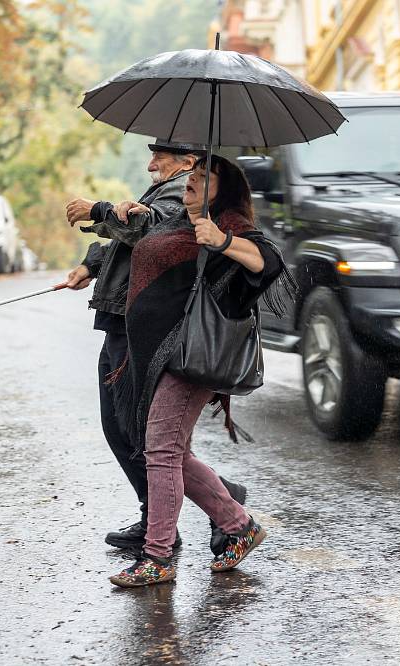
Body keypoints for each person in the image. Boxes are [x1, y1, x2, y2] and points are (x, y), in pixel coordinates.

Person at [108, 155, 294, 588]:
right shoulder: (176, 217)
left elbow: (269, 262)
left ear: (223, 189)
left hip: (190, 355)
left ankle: (158, 557)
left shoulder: (225, 221)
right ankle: (238, 525)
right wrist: (139, 218)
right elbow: (144, 247)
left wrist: (224, 241)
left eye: (202, 177)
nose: (191, 181)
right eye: (190, 175)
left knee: (161, 451)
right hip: (156, 355)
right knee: (173, 453)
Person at [63, 140, 247, 555]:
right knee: (129, 429)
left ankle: (180, 522)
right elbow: (138, 245)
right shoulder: (170, 189)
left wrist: (98, 210)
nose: (150, 164)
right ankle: (196, 509)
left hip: (140, 326)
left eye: (159, 157)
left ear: (188, 162)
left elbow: (154, 230)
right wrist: (90, 266)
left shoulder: (182, 191)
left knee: (140, 433)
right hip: (123, 319)